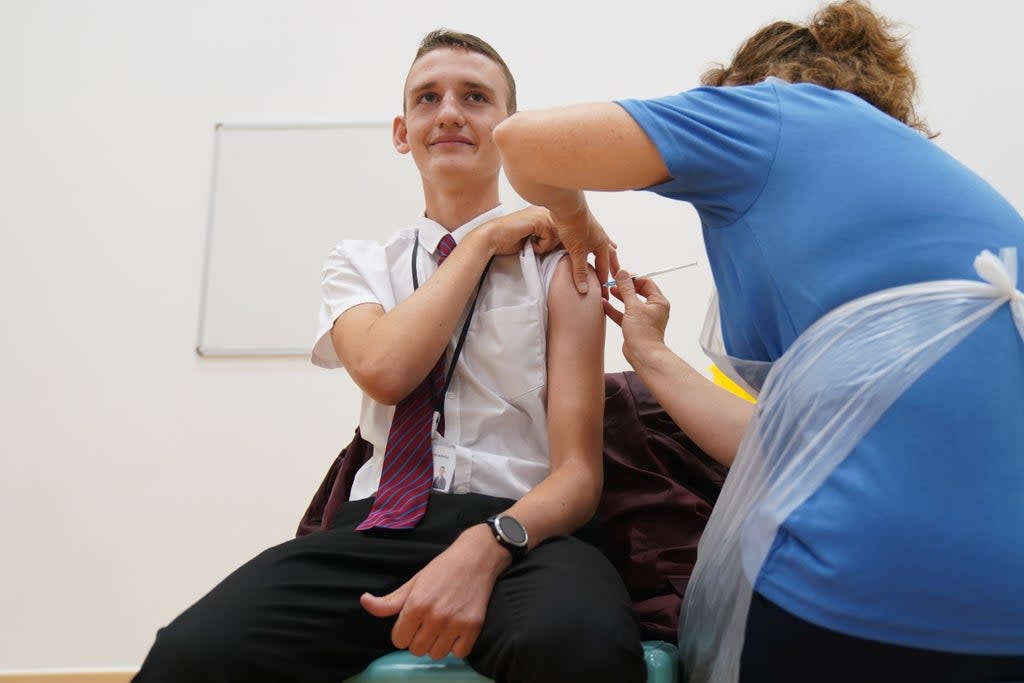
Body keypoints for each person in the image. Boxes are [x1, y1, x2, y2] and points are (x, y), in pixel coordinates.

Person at [491, 1, 1024, 681]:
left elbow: (524, 143)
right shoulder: (957, 204)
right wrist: (652, 354)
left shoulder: (771, 112)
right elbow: (783, 442)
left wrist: (576, 219)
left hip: (858, 590)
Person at [133, 29, 646, 683]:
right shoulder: (359, 266)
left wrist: (489, 544)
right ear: (404, 133)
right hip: (377, 526)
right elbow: (385, 368)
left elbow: (577, 476)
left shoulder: (558, 265)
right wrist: (487, 238)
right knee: (190, 654)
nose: (451, 112)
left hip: (524, 530)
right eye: (428, 98)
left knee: (580, 642)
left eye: (476, 97)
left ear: (510, 130)